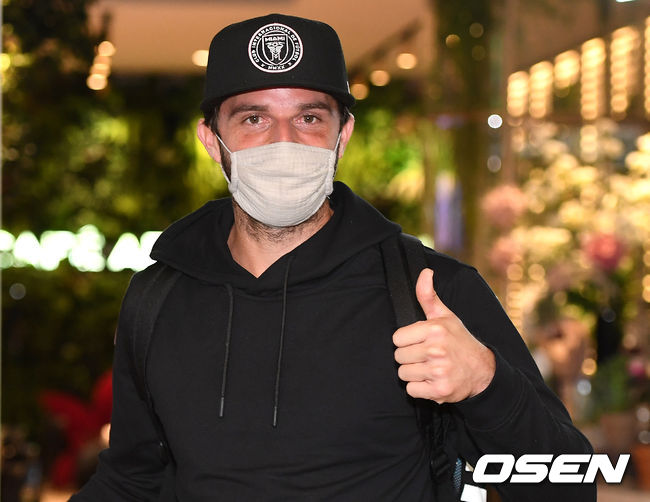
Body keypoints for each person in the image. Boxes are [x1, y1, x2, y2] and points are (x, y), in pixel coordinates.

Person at [71, 13, 595, 501]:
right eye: (253, 118)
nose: (283, 142)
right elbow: (131, 481)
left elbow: (569, 487)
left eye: (308, 117)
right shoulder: (158, 297)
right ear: (213, 141)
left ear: (342, 136)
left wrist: (486, 384)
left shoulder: (430, 293)